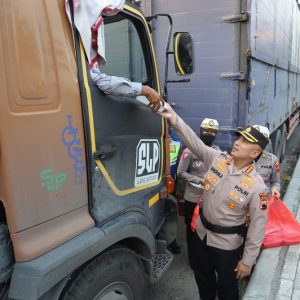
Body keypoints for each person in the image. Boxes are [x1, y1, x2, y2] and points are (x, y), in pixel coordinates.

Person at [156, 102, 269, 300]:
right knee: (204, 282)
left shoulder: (257, 187)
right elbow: (194, 142)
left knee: (227, 290)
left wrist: (247, 261)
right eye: (239, 138)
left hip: (227, 246)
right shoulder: (217, 158)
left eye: (244, 141)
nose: (237, 142)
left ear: (254, 153)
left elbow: (258, 227)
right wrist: (173, 117)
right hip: (201, 236)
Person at [177, 118, 220, 263]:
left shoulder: (217, 152)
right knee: (191, 228)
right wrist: (198, 180)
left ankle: (204, 257)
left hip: (209, 198)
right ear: (200, 131)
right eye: (206, 131)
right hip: (193, 197)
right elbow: (181, 173)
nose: (209, 134)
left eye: (212, 132)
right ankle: (192, 259)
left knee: (207, 228)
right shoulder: (189, 151)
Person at [252, 125, 281, 198]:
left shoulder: (273, 160)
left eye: (261, 141)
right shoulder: (242, 157)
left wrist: (275, 189)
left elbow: (276, 181)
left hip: (263, 200)